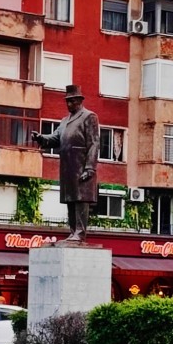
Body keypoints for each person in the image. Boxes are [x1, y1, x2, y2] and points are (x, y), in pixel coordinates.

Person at [31, 84, 100, 243]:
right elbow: (55, 139)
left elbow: (94, 143)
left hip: (81, 165)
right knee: (71, 199)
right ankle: (73, 231)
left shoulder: (89, 117)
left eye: (71, 101)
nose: (68, 104)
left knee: (81, 199)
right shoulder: (64, 121)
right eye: (67, 101)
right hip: (68, 167)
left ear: (79, 100)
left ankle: (80, 232)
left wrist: (90, 167)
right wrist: (41, 138)